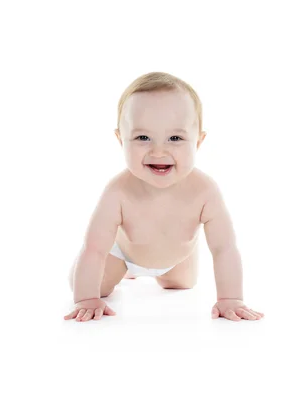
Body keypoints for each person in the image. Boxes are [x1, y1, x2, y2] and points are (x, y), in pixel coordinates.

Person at [64, 71, 264, 323]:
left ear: (198, 142)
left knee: (181, 285)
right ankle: (122, 272)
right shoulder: (118, 191)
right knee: (93, 286)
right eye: (142, 137)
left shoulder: (205, 190)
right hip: (123, 254)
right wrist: (86, 298)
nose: (159, 150)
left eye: (175, 138)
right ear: (120, 140)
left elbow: (224, 249)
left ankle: (180, 258)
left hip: (177, 256)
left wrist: (230, 299)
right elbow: (94, 249)